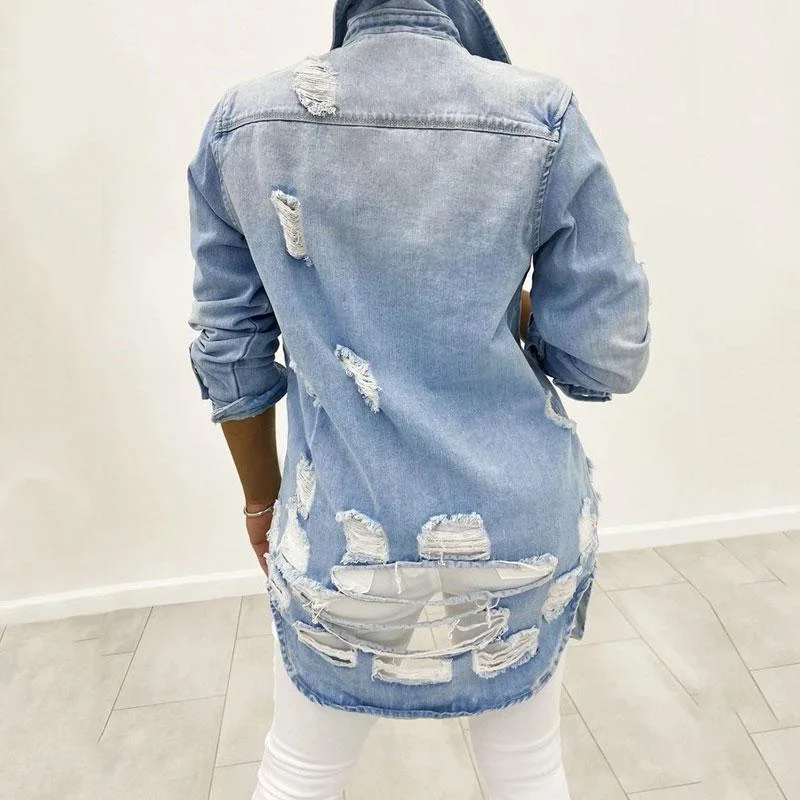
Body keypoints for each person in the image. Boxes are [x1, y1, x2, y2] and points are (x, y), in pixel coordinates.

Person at [186, 0, 652, 797]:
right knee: (527, 768)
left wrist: (261, 503)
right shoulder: (540, 116)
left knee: (298, 770)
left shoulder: (244, 125)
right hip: (518, 537)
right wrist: (508, 311)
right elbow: (605, 357)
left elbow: (231, 348)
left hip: (339, 540)